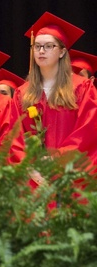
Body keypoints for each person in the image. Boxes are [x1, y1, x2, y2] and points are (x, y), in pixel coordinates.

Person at [11, 12, 97, 168]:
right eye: (37, 46)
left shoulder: (82, 88)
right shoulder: (22, 93)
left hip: (71, 173)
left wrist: (57, 159)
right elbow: (15, 138)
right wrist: (29, 165)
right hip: (35, 177)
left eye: (49, 46)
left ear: (62, 52)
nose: (41, 51)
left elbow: (88, 130)